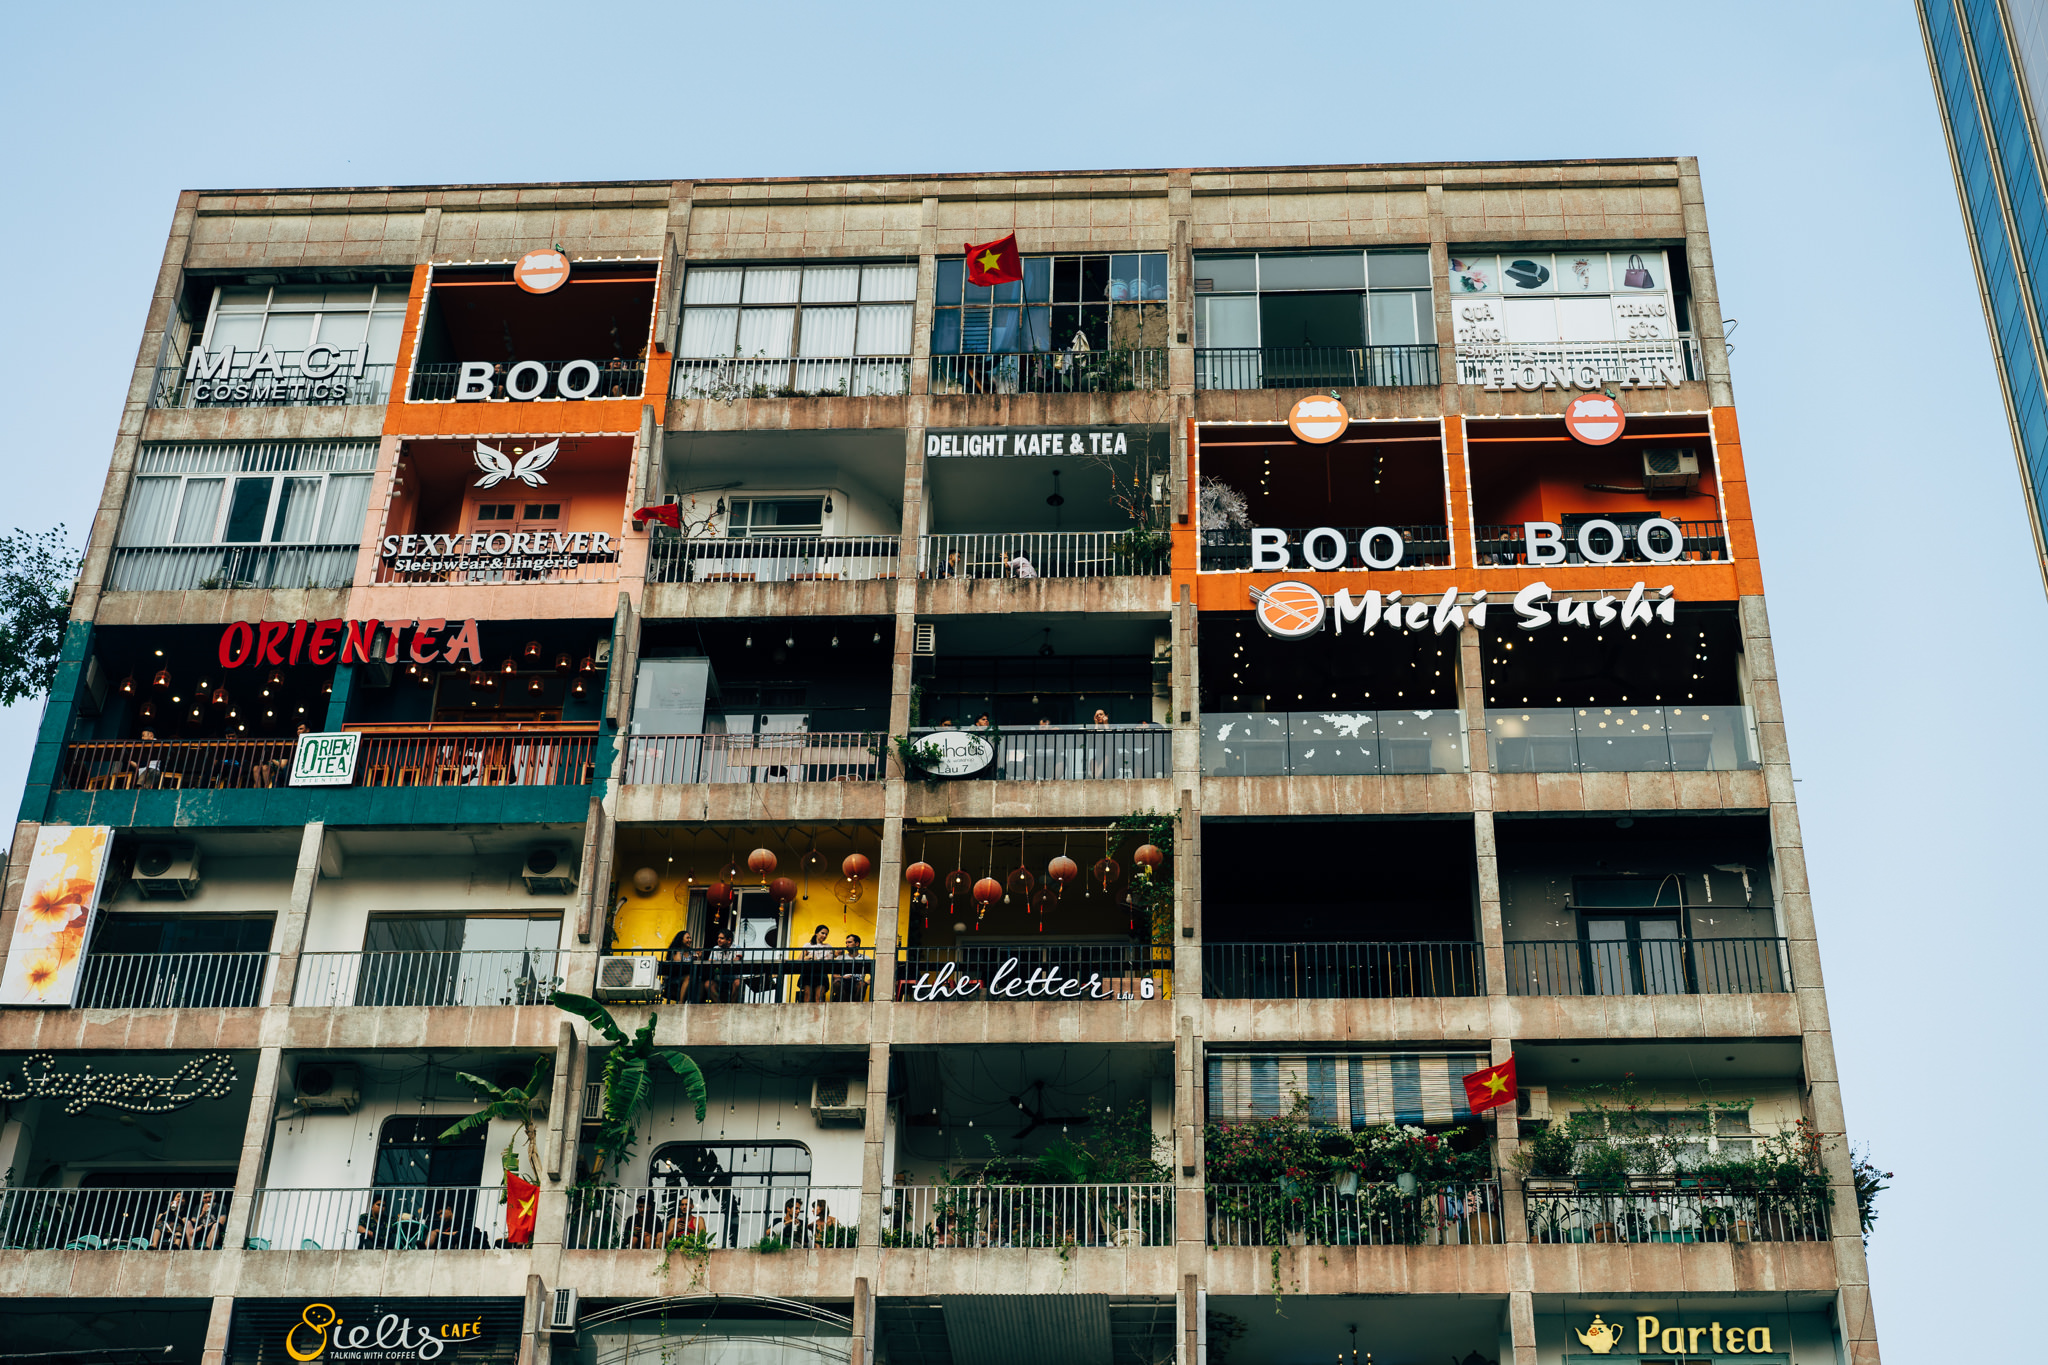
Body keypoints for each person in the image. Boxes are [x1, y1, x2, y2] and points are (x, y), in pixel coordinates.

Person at [425, 1200, 490, 1250]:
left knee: (433, 1233)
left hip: (456, 1243)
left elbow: (461, 1233)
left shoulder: (459, 1220)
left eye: (441, 1213)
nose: (441, 1217)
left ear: (449, 1209)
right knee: (432, 1233)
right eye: (439, 1215)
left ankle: (424, 1248)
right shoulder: (445, 1225)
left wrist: (440, 1232)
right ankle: (424, 1247)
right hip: (447, 1244)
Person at [661, 929, 699, 1003]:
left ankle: (694, 1003)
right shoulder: (675, 951)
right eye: (687, 938)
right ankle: (681, 1002)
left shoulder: (691, 952)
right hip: (674, 977)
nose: (690, 940)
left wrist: (699, 956)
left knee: (696, 979)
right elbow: (678, 964)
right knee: (688, 977)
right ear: (681, 940)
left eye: (690, 938)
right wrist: (678, 950)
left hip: (686, 976)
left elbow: (696, 965)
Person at [703, 930, 739, 1003]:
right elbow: (711, 962)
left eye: (721, 938)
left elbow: (737, 960)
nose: (718, 940)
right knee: (708, 984)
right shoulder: (716, 948)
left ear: (729, 940)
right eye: (718, 938)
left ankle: (731, 1007)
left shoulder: (737, 948)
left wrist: (718, 963)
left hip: (732, 981)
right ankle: (719, 1005)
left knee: (738, 982)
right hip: (719, 980)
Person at [801, 924, 834, 1002]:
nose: (825, 935)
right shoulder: (808, 945)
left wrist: (837, 953)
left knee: (820, 996)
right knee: (807, 995)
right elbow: (800, 959)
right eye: (822, 933)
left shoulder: (828, 946)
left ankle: (818, 1014)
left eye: (826, 934)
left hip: (822, 972)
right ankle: (807, 1013)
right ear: (816, 933)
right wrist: (809, 957)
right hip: (808, 972)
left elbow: (832, 957)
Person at [835, 933, 869, 1003]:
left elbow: (874, 973)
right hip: (844, 981)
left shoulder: (865, 958)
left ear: (857, 944)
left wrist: (868, 982)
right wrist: (843, 977)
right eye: (846, 943)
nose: (847, 945)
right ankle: (843, 1004)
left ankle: (856, 1005)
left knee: (862, 984)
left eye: (849, 942)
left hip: (858, 982)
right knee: (837, 983)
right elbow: (834, 974)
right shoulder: (841, 957)